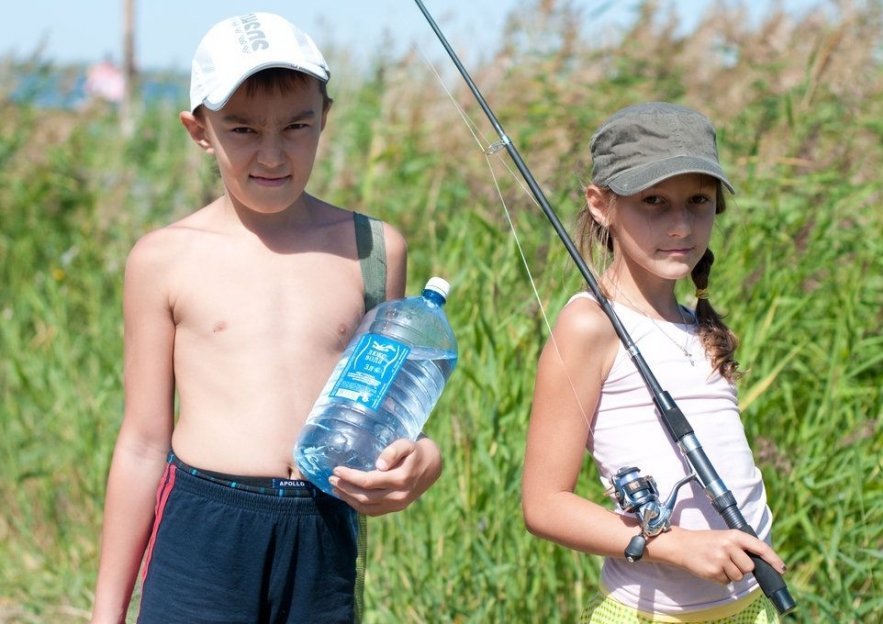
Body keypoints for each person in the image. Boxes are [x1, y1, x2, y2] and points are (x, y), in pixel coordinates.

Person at [90, 12, 442, 624]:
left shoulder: (374, 248)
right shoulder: (163, 258)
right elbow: (144, 443)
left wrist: (422, 460)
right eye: (244, 129)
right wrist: (105, 612)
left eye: (297, 125)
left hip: (322, 527)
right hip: (203, 527)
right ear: (199, 130)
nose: (273, 153)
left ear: (325, 117)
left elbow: (385, 407)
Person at [521, 102, 788, 623]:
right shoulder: (588, 325)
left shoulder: (698, 325)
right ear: (600, 203)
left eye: (699, 201)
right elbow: (544, 504)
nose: (681, 225)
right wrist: (671, 544)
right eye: (654, 201)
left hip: (749, 609)